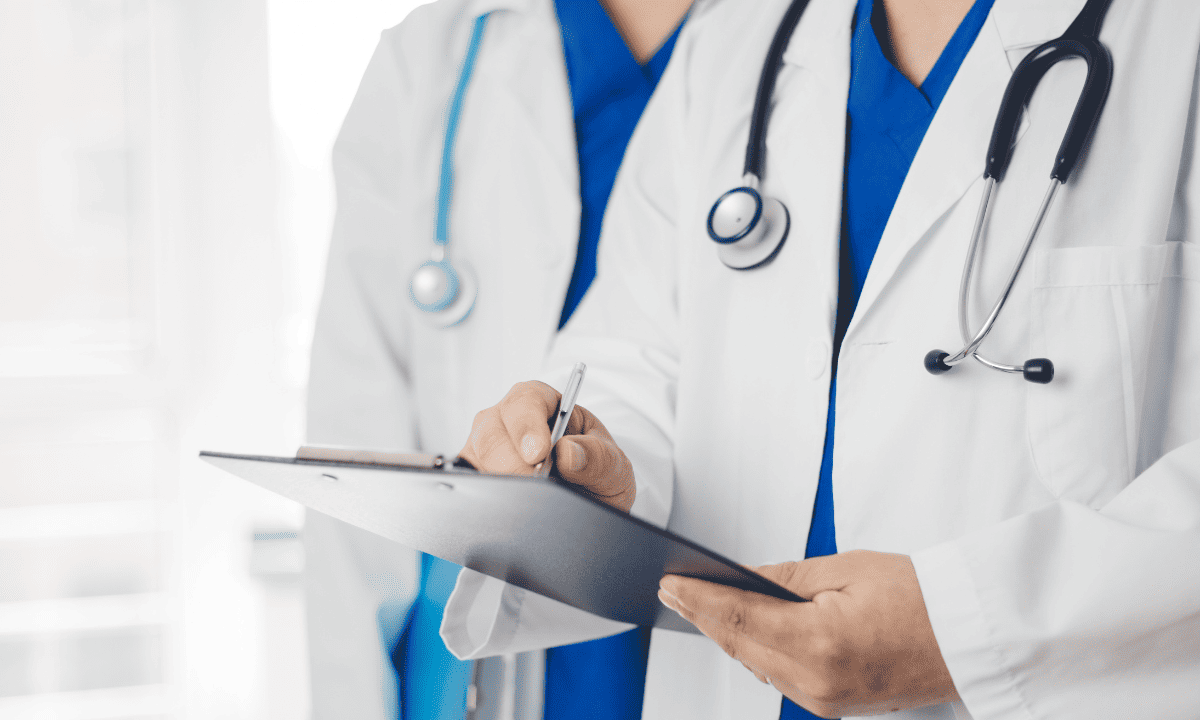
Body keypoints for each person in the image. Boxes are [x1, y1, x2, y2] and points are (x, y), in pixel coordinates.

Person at [445, 0, 1200, 718]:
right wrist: (586, 471)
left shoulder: (1171, 41)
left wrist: (971, 629)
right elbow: (637, 356)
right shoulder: (737, 44)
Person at [302, 0, 690, 718]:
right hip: (470, 645)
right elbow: (355, 449)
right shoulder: (433, 57)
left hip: (703, 620)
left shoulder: (794, 44)